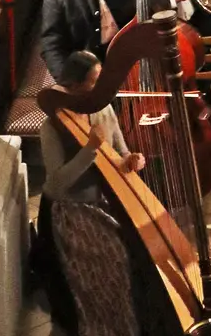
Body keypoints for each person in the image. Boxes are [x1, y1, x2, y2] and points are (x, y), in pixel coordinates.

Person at [35, 50, 144, 335]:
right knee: (114, 262)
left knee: (138, 257)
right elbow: (57, 184)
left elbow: (122, 153)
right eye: (96, 82)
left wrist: (132, 160)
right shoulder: (51, 127)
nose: (103, 89)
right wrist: (90, 150)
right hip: (71, 208)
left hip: (107, 201)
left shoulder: (104, 108)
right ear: (74, 86)